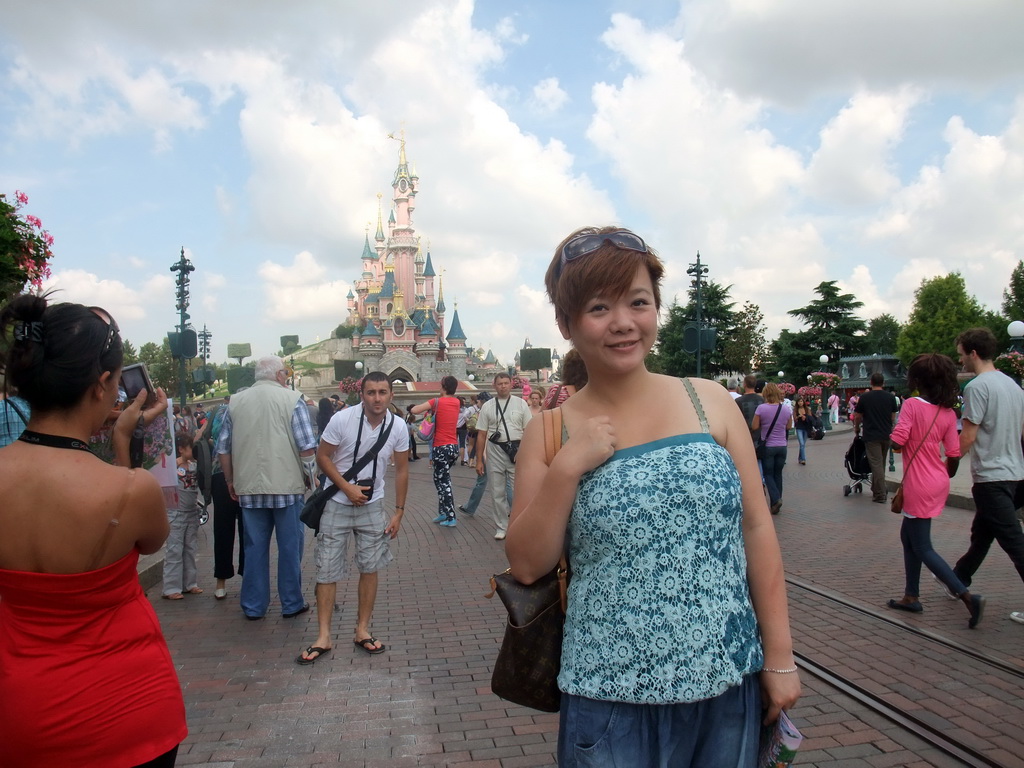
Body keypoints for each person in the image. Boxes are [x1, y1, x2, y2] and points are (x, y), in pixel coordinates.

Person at [506, 226, 799, 766]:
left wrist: (779, 659)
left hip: (727, 680)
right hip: (607, 695)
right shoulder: (549, 432)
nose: (622, 323)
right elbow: (526, 564)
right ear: (566, 324)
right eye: (598, 308)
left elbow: (757, 530)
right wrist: (569, 466)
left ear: (656, 308)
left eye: (638, 302)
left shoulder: (710, 402)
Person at [0, 295, 186, 767]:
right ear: (104, 384)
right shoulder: (130, 489)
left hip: (20, 706)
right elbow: (150, 539)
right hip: (127, 705)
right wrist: (122, 440)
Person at [297, 372, 409, 663]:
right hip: (337, 502)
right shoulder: (342, 420)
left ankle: (362, 629)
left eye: (382, 392)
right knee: (326, 568)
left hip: (373, 505)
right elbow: (322, 457)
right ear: (362, 394)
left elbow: (402, 469)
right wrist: (346, 488)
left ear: (390, 395)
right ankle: (323, 635)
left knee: (370, 567)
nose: (377, 398)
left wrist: (399, 511)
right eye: (371, 392)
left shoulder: (398, 426)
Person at [886, 354, 985, 627]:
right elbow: (953, 453)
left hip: (918, 483)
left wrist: (891, 434)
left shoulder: (912, 405)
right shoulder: (947, 412)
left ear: (917, 380)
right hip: (937, 479)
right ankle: (910, 595)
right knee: (909, 538)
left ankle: (965, 595)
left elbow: (897, 442)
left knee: (922, 545)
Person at [216, 355, 317, 620]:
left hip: (249, 486)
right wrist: (311, 478)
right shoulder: (292, 399)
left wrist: (230, 480)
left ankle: (253, 605)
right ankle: (291, 602)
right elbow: (306, 446)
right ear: (279, 374)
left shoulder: (235, 402)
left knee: (254, 547)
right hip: (286, 485)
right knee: (289, 547)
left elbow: (223, 448)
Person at [948, 328, 1024, 625]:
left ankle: (956, 580)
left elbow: (968, 436)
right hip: (1015, 474)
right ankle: (957, 580)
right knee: (982, 535)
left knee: (1014, 542)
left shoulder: (977, 388)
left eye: (961, 354)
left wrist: (948, 463)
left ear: (973, 353)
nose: (961, 360)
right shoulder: (1014, 387)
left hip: (991, 476)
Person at [475, 371, 532, 540]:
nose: (503, 386)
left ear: (511, 384)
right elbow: (481, 434)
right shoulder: (488, 406)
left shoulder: (521, 404)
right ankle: (501, 527)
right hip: (495, 450)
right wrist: (479, 460)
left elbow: (528, 430)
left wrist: (528, 453)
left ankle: (518, 524)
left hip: (516, 450)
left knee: (518, 491)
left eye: (506, 383)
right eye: (500, 384)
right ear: (494, 385)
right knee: (497, 491)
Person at [411, 375, 462, 526]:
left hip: (441, 447)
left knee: (444, 482)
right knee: (439, 479)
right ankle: (443, 512)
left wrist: (430, 407)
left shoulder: (437, 401)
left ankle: (451, 517)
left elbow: (414, 410)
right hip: (453, 447)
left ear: (444, 386)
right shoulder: (457, 402)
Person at [162, 432, 203, 600]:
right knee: (174, 550)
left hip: (191, 512)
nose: (192, 452)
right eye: (189, 448)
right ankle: (171, 587)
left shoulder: (194, 466)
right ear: (181, 449)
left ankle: (190, 583)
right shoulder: (171, 467)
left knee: (190, 549)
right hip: (175, 513)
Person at [854, 373, 898, 504]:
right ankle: (876, 488)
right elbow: (893, 417)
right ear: (883, 383)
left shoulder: (865, 397)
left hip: (871, 435)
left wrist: (857, 428)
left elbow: (857, 416)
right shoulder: (890, 397)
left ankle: (880, 494)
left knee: (876, 464)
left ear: (871, 382)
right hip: (886, 434)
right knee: (881, 463)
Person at [752, 383, 793, 515]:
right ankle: (776, 501)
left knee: (768, 474)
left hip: (768, 446)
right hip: (782, 446)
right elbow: (789, 427)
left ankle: (775, 499)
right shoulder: (786, 409)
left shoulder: (761, 408)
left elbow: (755, 426)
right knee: (778, 474)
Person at [793, 396, 812, 466]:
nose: (800, 403)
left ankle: (800, 458)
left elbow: (810, 418)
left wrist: (806, 417)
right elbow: (794, 418)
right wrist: (799, 417)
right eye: (799, 401)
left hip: (806, 428)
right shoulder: (795, 410)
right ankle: (803, 459)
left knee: (803, 444)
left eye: (801, 401)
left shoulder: (807, 409)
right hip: (799, 428)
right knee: (802, 444)